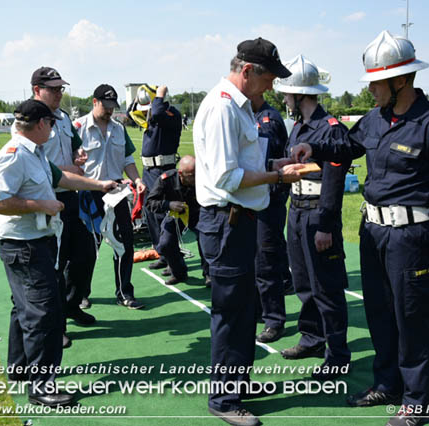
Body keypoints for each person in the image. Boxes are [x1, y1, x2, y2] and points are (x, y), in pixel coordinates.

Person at [291, 31, 429, 426]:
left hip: (411, 237)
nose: (370, 88)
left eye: (376, 81)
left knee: (411, 317)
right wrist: (314, 149)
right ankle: (387, 384)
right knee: (379, 313)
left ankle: (416, 400)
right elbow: (347, 148)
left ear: (400, 80)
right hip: (373, 232)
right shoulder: (375, 119)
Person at [193, 37, 301, 426]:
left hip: (238, 221)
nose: (272, 85)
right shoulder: (224, 108)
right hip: (226, 221)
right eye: (269, 77)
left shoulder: (237, 106)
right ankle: (224, 399)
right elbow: (228, 176)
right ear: (247, 71)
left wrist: (281, 161)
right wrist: (278, 175)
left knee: (245, 310)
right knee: (231, 313)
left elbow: (243, 162)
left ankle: (237, 381)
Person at [0, 99, 116, 407]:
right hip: (25, 245)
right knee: (44, 314)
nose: (55, 129)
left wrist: (99, 185)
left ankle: (19, 368)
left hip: (35, 242)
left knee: (24, 308)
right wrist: (42, 205)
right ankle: (42, 386)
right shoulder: (14, 155)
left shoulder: (35, 152)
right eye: (52, 124)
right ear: (41, 124)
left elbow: (61, 178)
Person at [273, 55, 352, 378]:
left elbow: (332, 182)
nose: (284, 99)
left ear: (300, 94)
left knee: (327, 287)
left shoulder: (329, 130)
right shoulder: (299, 128)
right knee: (304, 282)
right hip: (297, 211)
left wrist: (325, 225)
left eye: (287, 94)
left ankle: (338, 354)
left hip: (318, 215)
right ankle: (312, 337)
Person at [20, 67, 96, 349]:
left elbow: (76, 145)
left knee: (85, 254)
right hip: (47, 201)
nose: (59, 93)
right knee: (55, 265)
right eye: (53, 89)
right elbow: (42, 166)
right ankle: (57, 324)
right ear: (36, 90)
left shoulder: (62, 118)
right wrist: (73, 170)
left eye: (61, 88)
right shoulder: (31, 122)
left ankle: (71, 305)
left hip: (70, 195)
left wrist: (79, 154)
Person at [74, 84, 147, 310]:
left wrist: (137, 180)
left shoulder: (118, 129)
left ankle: (125, 292)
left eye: (112, 107)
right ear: (94, 102)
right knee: (87, 249)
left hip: (116, 193)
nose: (109, 111)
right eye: (105, 106)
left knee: (125, 244)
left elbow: (127, 160)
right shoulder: (78, 128)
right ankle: (81, 294)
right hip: (89, 193)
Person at [248, 92, 291, 344]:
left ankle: (274, 320)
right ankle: (258, 311)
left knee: (267, 261)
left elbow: (267, 160)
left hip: (269, 198)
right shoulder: (251, 116)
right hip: (254, 198)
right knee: (254, 260)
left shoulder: (268, 119)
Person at [132, 84, 182, 272]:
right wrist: (140, 97)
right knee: (150, 213)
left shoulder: (171, 114)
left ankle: (172, 257)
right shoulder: (151, 116)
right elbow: (132, 113)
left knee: (163, 214)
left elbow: (160, 113)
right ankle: (161, 252)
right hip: (148, 170)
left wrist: (159, 95)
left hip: (164, 170)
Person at [145, 155, 209, 285]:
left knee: (206, 240)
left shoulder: (204, 177)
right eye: (191, 175)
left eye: (197, 174)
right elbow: (150, 202)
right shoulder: (166, 179)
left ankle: (209, 274)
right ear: (180, 173)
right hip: (176, 214)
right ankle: (178, 272)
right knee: (165, 243)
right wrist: (168, 204)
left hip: (198, 214)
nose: (195, 178)